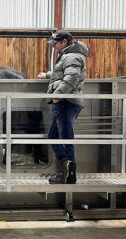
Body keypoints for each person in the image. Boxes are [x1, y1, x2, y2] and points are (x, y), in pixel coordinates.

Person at [37, 30, 89, 184]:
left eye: (56, 42)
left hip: (66, 102)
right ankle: (66, 165)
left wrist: (57, 95)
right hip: (65, 101)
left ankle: (69, 176)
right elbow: (64, 73)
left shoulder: (72, 56)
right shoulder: (68, 56)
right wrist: (48, 75)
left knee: (66, 138)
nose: (53, 45)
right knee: (53, 137)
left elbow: (71, 78)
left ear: (64, 42)